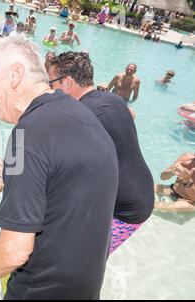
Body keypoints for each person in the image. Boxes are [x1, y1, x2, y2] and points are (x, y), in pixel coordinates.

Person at [0, 36, 119, 300]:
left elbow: (14, 250)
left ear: (15, 75)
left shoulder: (28, 133)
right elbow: (66, 193)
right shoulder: (83, 116)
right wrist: (12, 176)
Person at [48, 52, 154, 255]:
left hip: (124, 210)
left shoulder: (81, 115)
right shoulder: (113, 99)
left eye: (51, 82)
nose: (50, 89)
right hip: (141, 192)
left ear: (68, 83)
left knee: (83, 261)